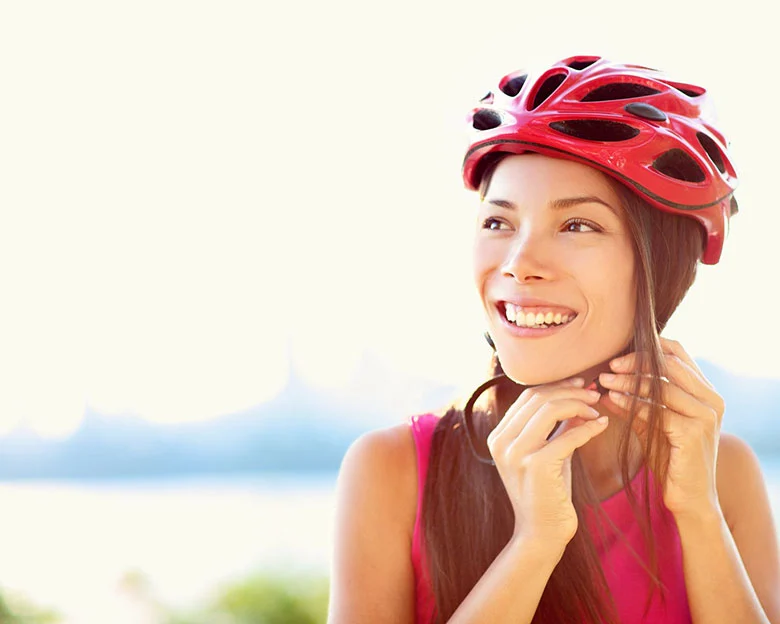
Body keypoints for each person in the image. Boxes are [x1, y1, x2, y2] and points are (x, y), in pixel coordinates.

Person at [327, 56, 780, 623]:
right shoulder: (392, 472)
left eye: (577, 226)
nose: (519, 264)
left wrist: (698, 513)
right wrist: (534, 545)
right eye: (499, 222)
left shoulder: (719, 473)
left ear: (659, 266)